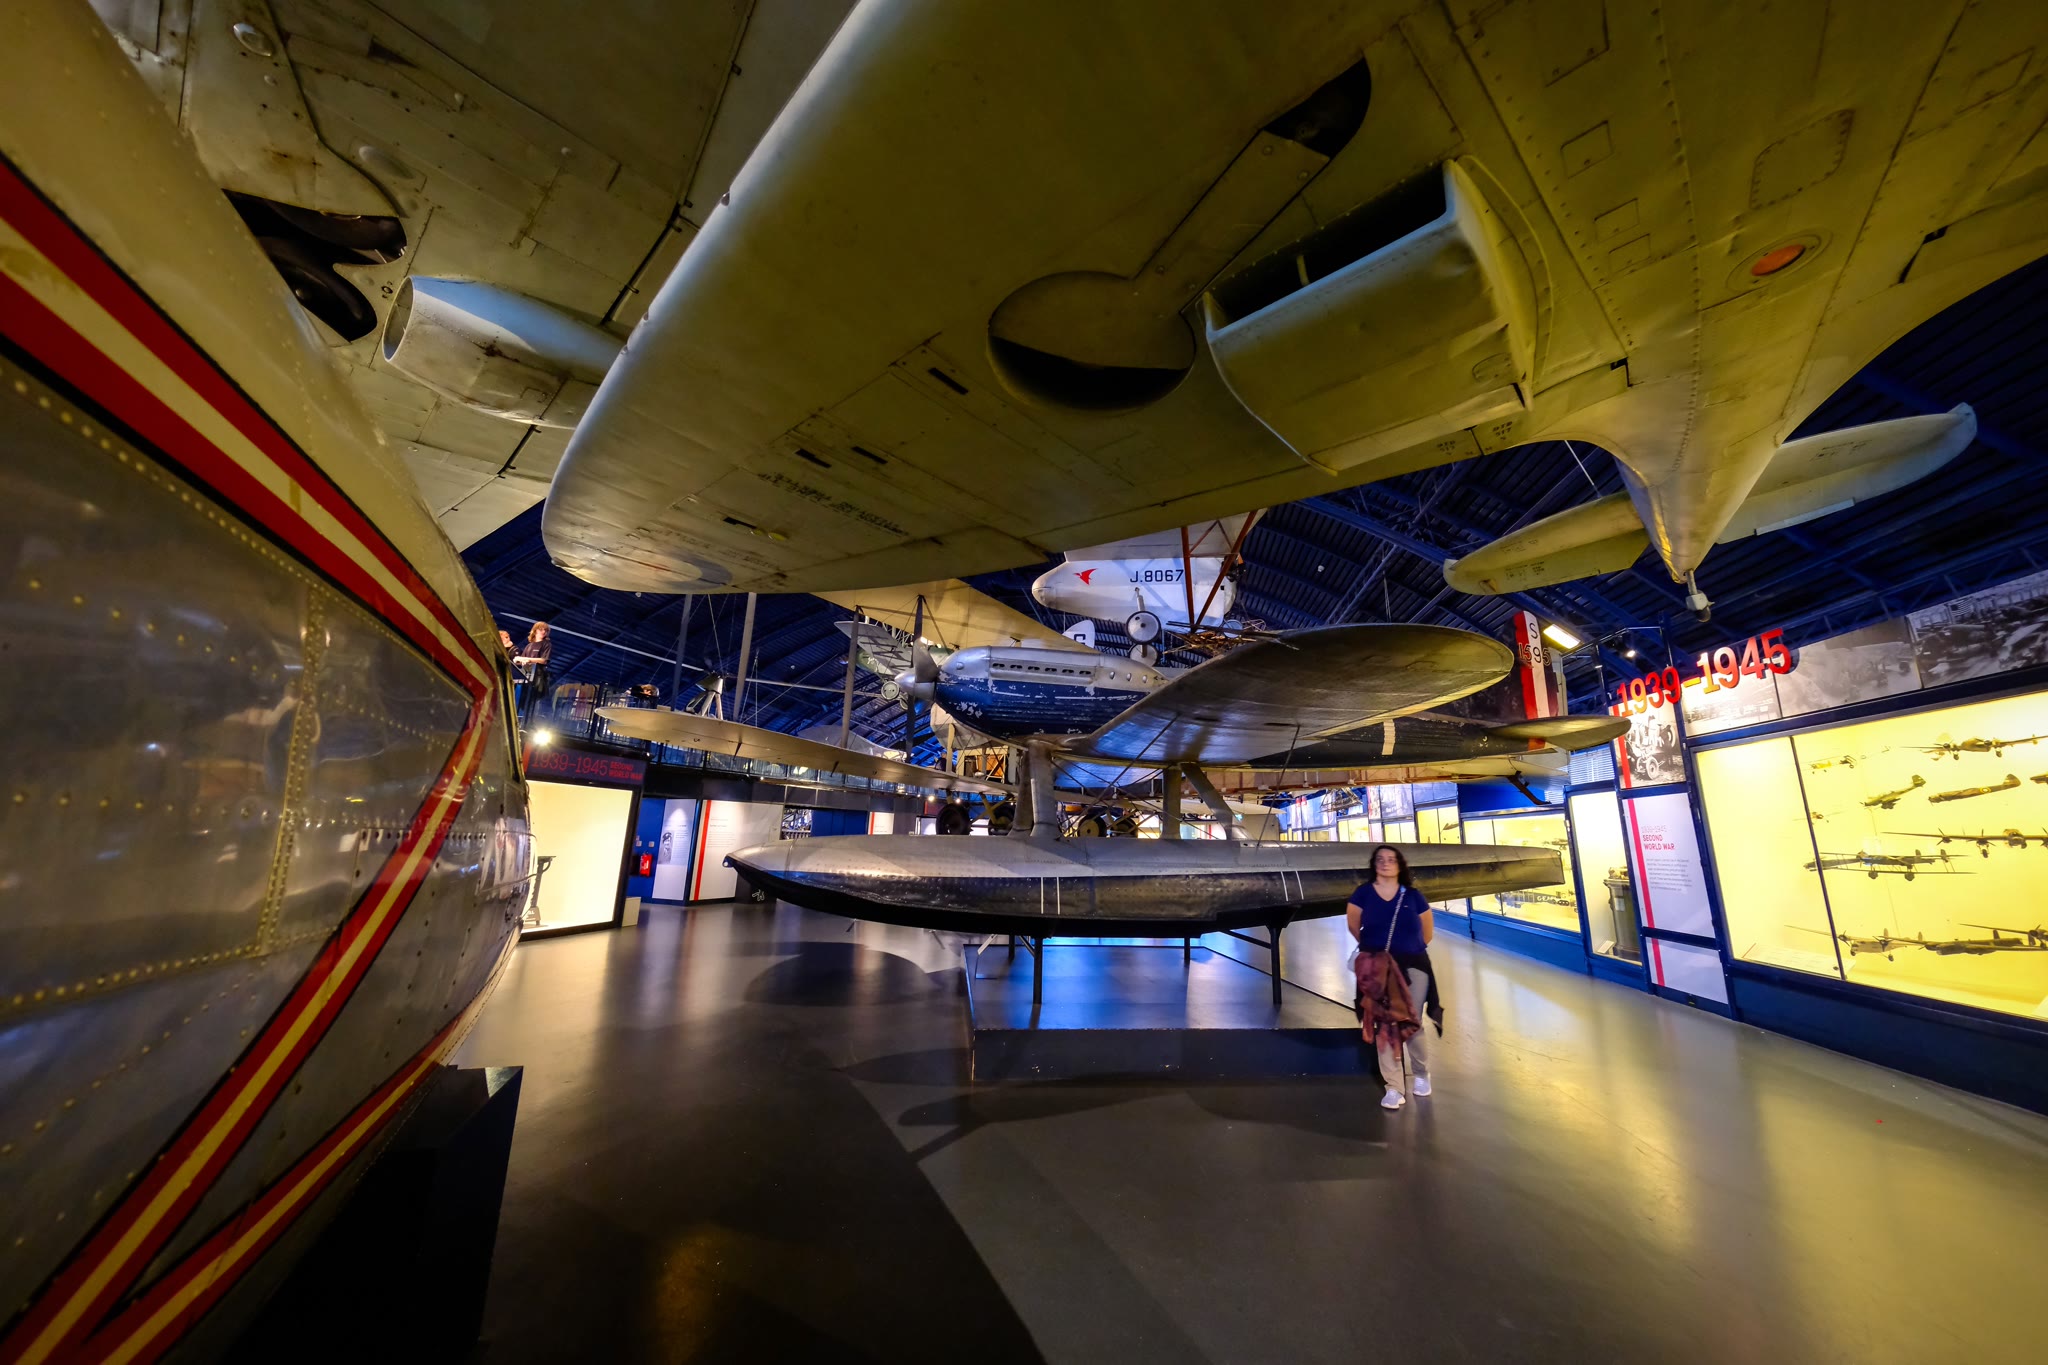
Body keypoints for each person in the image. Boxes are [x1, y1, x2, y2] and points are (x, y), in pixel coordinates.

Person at [1347, 845, 1443, 1111]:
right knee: (1385, 1024)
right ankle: (1394, 1087)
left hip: (1413, 965)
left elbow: (1426, 933)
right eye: (1380, 859)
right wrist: (1376, 952)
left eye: (1391, 859)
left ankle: (1421, 1073)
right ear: (1374, 864)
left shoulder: (1413, 896)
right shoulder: (1363, 894)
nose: (1385, 863)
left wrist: (1406, 950)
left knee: (1411, 1019)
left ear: (1400, 865)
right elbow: (1354, 926)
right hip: (1378, 967)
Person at [513, 621, 553, 724]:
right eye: (541, 629)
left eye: (545, 630)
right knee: (521, 701)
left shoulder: (546, 644)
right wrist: (518, 660)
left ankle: (528, 722)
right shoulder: (529, 645)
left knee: (531, 702)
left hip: (537, 677)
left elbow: (544, 660)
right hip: (525, 677)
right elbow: (522, 661)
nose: (543, 632)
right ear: (535, 631)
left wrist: (527, 659)